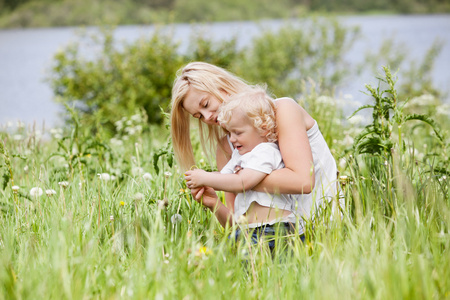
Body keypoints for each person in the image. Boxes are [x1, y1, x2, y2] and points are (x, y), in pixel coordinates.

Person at [170, 61, 341, 231]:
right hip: (268, 240)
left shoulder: (282, 111)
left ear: (222, 86)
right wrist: (214, 203)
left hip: (325, 228)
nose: (207, 117)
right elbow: (238, 225)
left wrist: (229, 180)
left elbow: (302, 181)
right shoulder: (226, 148)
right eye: (198, 116)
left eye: (206, 104)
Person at [184, 88, 298, 240]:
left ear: (263, 129)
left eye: (237, 133)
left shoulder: (266, 151)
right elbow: (225, 176)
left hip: (274, 229)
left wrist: (205, 178)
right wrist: (205, 184)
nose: (231, 139)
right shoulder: (240, 154)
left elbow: (241, 181)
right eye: (229, 133)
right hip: (248, 230)